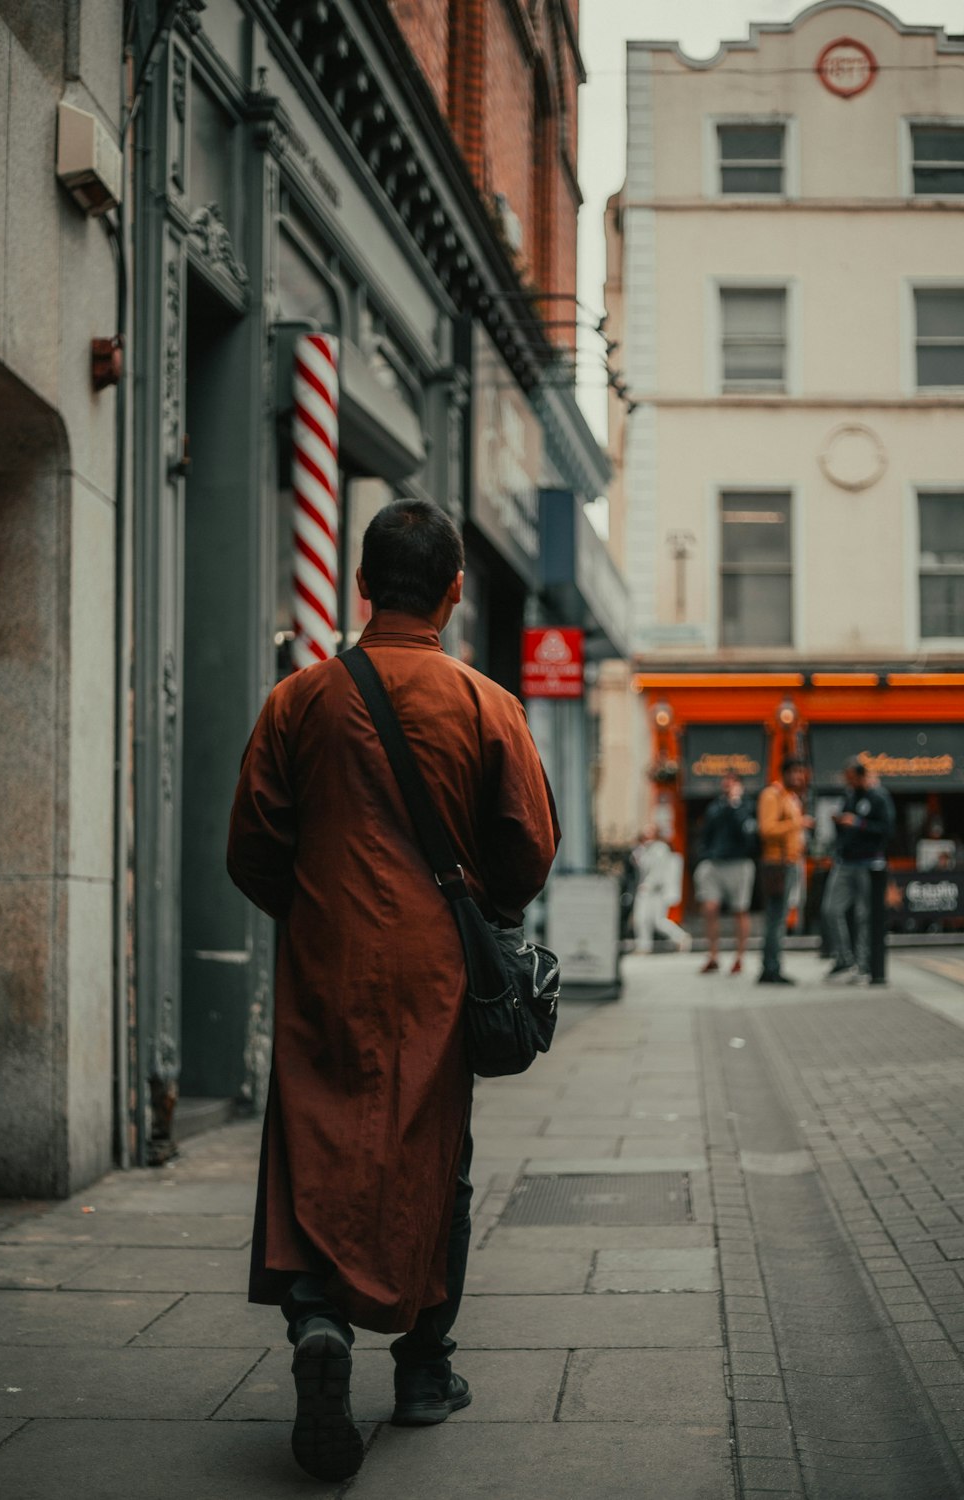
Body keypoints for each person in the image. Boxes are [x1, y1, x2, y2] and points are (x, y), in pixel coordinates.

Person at [227, 500, 559, 1482]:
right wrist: (470, 907)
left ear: (361, 586)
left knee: (315, 1136)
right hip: (437, 972)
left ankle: (319, 1320)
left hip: (325, 953)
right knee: (431, 1153)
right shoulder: (486, 703)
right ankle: (422, 1370)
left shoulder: (297, 701)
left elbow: (251, 848)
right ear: (456, 593)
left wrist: (319, 904)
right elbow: (527, 852)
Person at [822, 758, 895, 984]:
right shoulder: (850, 796)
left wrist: (858, 823)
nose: (848, 782)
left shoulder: (879, 797)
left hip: (869, 864)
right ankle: (844, 958)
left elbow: (887, 829)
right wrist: (838, 822)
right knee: (830, 909)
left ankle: (864, 966)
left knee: (865, 916)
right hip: (845, 861)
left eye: (852, 778)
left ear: (862, 776)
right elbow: (844, 827)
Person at [693, 773, 758, 975]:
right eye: (725, 783)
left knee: (740, 910)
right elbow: (707, 832)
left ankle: (739, 957)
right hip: (714, 862)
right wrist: (704, 855)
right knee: (709, 907)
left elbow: (747, 833)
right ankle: (713, 955)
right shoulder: (715, 807)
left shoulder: (747, 806)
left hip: (739, 862)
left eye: (731, 783)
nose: (727, 787)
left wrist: (735, 805)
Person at [756, 756, 813, 985]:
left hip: (789, 862)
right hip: (776, 864)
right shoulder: (772, 795)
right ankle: (771, 968)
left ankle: (772, 966)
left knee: (779, 917)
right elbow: (767, 829)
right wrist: (798, 823)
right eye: (796, 772)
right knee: (776, 918)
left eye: (802, 773)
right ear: (785, 772)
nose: (800, 778)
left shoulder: (790, 797)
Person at [631, 826, 691, 953]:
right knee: (645, 919)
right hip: (650, 889)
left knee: (654, 920)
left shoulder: (659, 849)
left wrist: (649, 884)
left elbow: (658, 870)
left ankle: (680, 937)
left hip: (653, 890)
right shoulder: (647, 849)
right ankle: (644, 945)